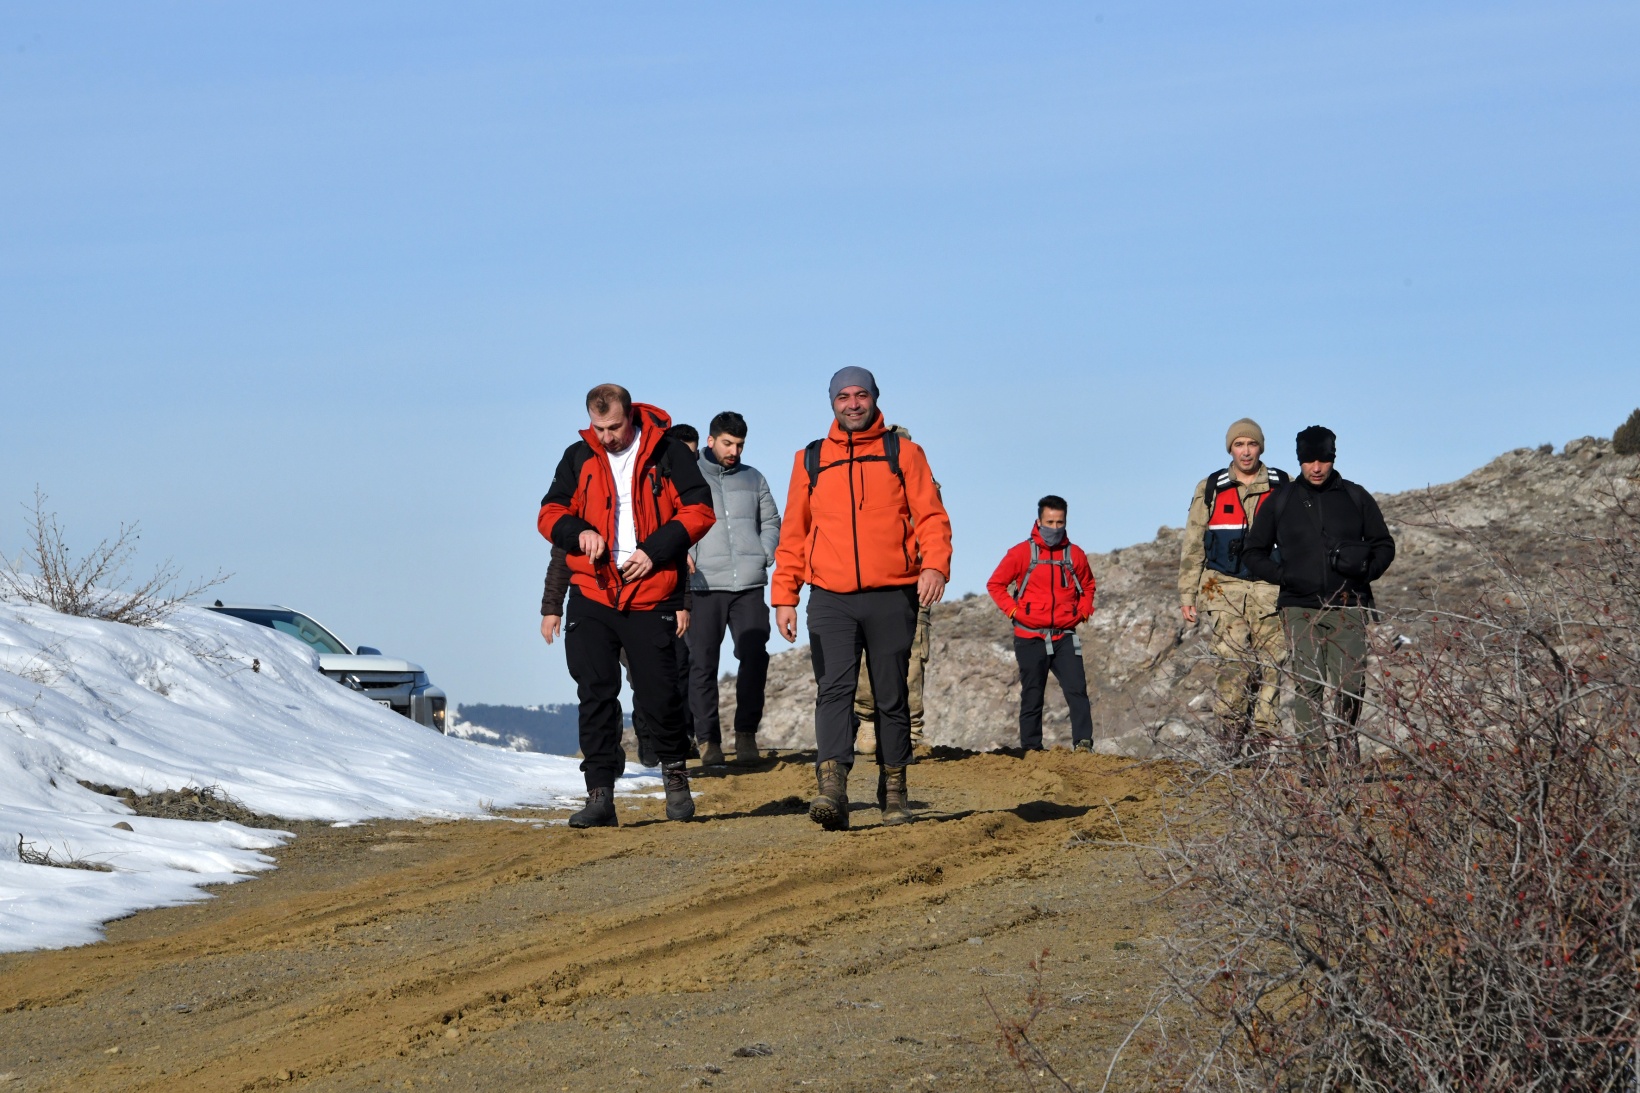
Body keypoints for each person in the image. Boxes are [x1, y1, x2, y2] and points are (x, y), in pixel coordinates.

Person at [772, 367, 952, 829]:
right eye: (843, 397)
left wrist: (934, 565)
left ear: (874, 398)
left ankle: (894, 789)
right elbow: (794, 531)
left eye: (861, 395)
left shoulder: (904, 453)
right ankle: (832, 787)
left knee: (892, 694)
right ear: (832, 402)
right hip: (830, 597)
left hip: (892, 593)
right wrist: (785, 596)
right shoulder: (809, 459)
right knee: (833, 690)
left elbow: (931, 516)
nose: (853, 404)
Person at [537, 385, 715, 827]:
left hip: (650, 590)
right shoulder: (578, 456)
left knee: (659, 695)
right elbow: (549, 513)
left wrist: (654, 550)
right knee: (595, 694)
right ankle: (600, 797)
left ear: (630, 415)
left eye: (614, 427)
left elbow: (699, 511)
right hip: (593, 592)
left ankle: (675, 778)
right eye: (599, 428)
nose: (607, 437)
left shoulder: (669, 452)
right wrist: (579, 532)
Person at [1242, 425, 1395, 763]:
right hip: (1299, 608)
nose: (1316, 467)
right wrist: (1285, 576)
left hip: (1348, 606)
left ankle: (1346, 739)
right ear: (1299, 460)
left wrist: (1366, 573)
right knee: (1307, 686)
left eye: (1323, 460)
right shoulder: (1280, 501)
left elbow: (1384, 544)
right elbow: (1253, 552)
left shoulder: (1356, 497)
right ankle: (1314, 762)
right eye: (1309, 460)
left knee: (1351, 683)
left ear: (1333, 458)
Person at [1177, 418, 1291, 753]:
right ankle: (1230, 736)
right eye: (1239, 444)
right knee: (1236, 660)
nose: (1245, 451)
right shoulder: (1211, 487)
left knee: (1273, 661)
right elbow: (1193, 543)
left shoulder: (1283, 485)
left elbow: (1300, 539)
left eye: (1251, 444)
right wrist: (1187, 593)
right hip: (1222, 587)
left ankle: (1263, 738)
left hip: (1270, 588)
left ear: (1261, 448)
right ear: (1230, 448)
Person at [686, 411, 780, 768]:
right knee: (702, 665)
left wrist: (763, 553)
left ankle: (746, 736)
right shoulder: (687, 476)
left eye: (739, 444)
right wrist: (686, 554)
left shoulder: (753, 478)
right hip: (704, 585)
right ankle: (709, 741)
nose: (734, 450)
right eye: (728, 443)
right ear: (710, 441)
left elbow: (770, 520)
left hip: (748, 585)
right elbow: (671, 519)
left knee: (755, 658)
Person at [986, 495, 1098, 752]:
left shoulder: (1075, 555)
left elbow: (1089, 586)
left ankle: (1083, 744)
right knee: (1032, 694)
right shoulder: (1020, 553)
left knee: (1077, 690)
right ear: (1038, 521)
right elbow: (995, 584)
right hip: (1029, 636)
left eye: (1060, 522)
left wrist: (1081, 614)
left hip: (1064, 636)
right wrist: (1014, 612)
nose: (1055, 528)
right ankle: (1031, 749)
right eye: (1050, 522)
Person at [851, 426, 935, 761]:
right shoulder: (861, 488)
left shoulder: (926, 487)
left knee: (912, 662)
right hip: (871, 588)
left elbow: (935, 529)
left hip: (914, 588)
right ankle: (868, 721)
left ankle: (910, 732)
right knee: (865, 660)